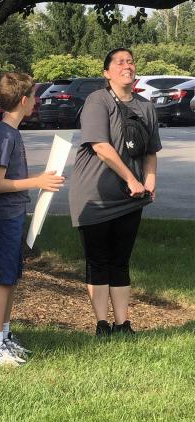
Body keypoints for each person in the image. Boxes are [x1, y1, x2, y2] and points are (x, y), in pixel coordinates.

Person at [68, 48, 160, 337]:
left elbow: (150, 152)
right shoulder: (98, 101)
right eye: (120, 62)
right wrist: (132, 179)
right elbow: (101, 147)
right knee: (98, 260)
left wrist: (150, 181)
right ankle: (102, 324)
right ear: (107, 73)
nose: (127, 66)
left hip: (130, 199)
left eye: (131, 61)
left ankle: (123, 324)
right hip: (95, 197)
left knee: (121, 260)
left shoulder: (146, 107)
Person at [0, 72, 64, 366]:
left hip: (14, 215)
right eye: (34, 96)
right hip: (3, 218)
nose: (37, 101)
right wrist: (37, 181)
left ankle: (4, 337)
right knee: (3, 280)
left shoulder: (12, 132)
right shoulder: (5, 135)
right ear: (23, 100)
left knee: (12, 277)